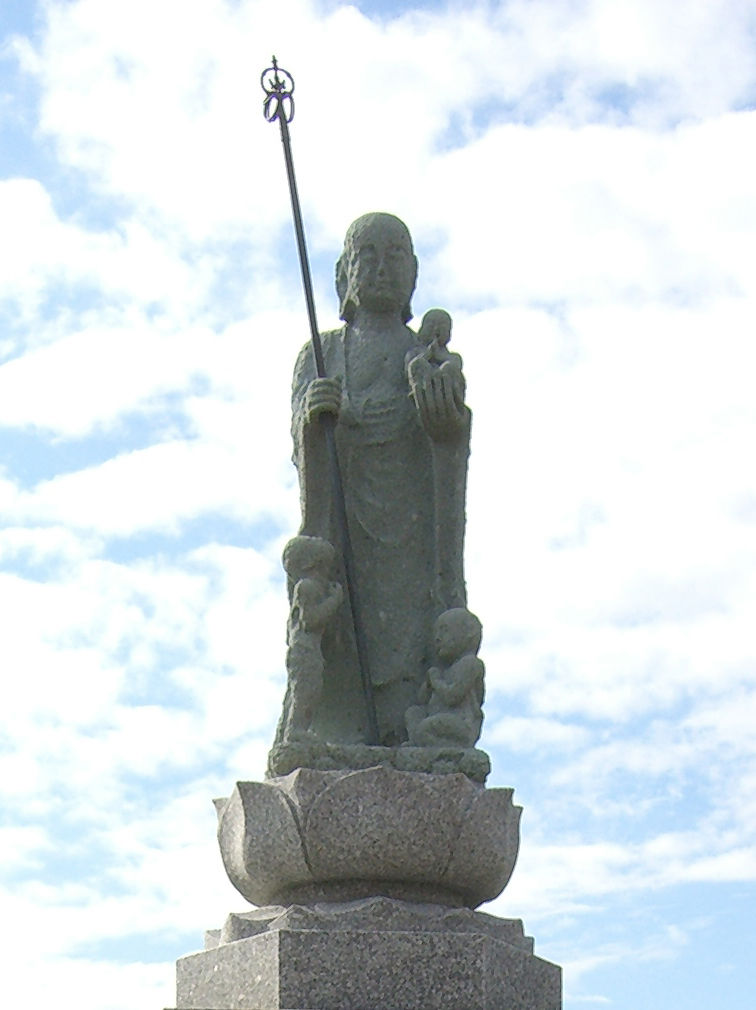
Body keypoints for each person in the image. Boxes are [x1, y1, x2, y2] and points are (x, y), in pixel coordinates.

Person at [290, 212, 471, 746]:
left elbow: (453, 441)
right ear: (344, 274)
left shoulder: (426, 356)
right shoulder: (321, 356)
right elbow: (304, 448)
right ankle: (339, 724)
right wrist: (314, 422)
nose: (381, 268)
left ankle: (412, 726)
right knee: (339, 621)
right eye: (366, 256)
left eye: (395, 256)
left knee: (414, 627)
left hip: (412, 534)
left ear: (413, 274)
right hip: (344, 526)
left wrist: (445, 426)